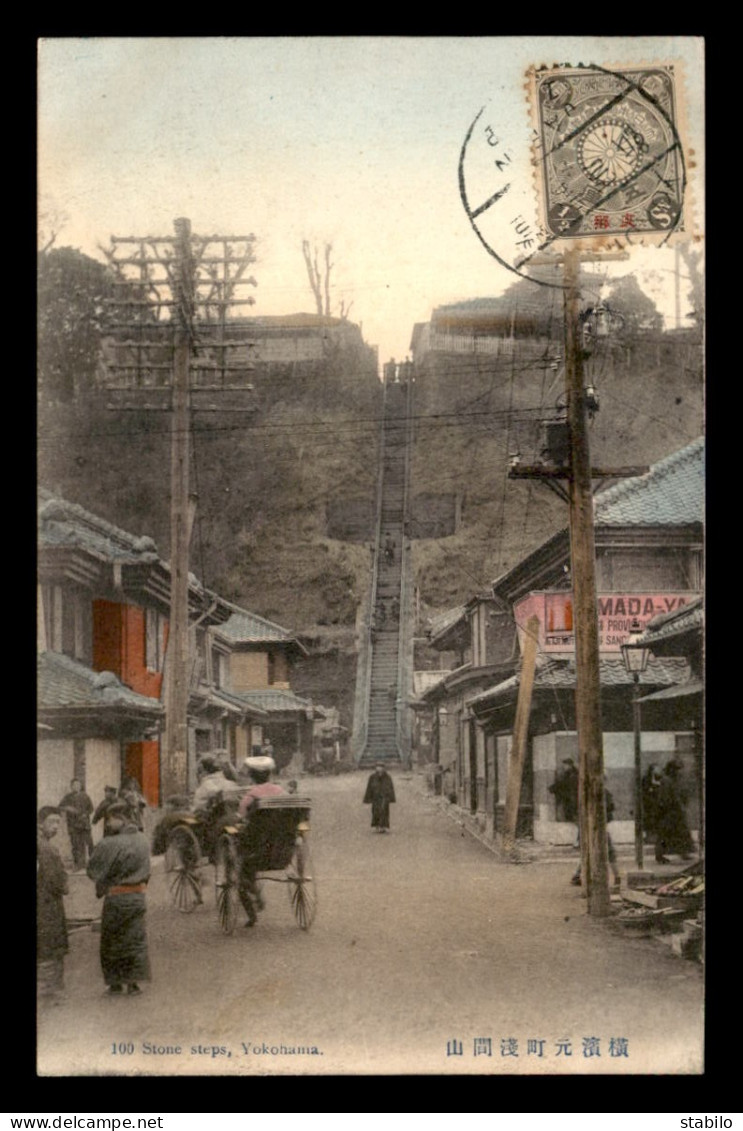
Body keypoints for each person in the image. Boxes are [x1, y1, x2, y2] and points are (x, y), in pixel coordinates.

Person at [87, 800, 151, 996]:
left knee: (112, 940)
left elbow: (93, 871)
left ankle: (115, 983)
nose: (107, 824)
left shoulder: (109, 843)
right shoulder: (142, 839)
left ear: (120, 819)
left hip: (116, 898)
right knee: (135, 938)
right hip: (138, 896)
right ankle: (133, 983)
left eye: (109, 820)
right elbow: (147, 872)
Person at [237, 756, 286, 927]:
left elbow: (241, 817)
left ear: (252, 776)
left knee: (240, 872)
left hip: (256, 848)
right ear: (269, 774)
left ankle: (252, 913)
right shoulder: (281, 792)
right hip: (281, 846)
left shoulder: (251, 795)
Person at [37, 806, 69, 1007]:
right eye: (52, 822)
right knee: (50, 943)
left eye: (58, 822)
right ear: (41, 823)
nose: (56, 827)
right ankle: (48, 990)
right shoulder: (47, 849)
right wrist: (64, 884)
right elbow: (57, 882)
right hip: (47, 904)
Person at [571, 784, 620, 889]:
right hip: (597, 825)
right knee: (609, 851)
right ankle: (616, 876)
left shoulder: (585, 792)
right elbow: (611, 808)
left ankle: (578, 875)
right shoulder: (603, 793)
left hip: (589, 825)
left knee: (588, 851)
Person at [654, 759, 694, 863]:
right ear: (672, 769)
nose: (679, 772)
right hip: (669, 811)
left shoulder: (674, 780)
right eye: (677, 769)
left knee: (680, 833)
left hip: (675, 811)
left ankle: (683, 852)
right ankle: (660, 855)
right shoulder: (667, 781)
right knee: (665, 834)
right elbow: (667, 797)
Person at [58, 778, 94, 870]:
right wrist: (68, 808)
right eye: (74, 785)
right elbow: (60, 807)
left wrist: (85, 814)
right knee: (75, 845)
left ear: (80, 786)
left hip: (85, 825)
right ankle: (77, 864)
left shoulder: (85, 796)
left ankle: (93, 864)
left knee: (89, 843)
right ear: (71, 787)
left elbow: (91, 809)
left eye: (78, 785)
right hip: (73, 825)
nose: (76, 787)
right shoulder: (68, 797)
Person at [363, 762, 396, 833]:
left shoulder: (387, 777)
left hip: (384, 796)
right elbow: (369, 788)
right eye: (378, 767)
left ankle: (383, 826)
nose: (380, 768)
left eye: (381, 767)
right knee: (375, 811)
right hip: (375, 797)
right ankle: (377, 826)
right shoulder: (372, 777)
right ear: (376, 768)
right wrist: (368, 798)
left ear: (384, 768)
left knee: (384, 811)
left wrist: (390, 797)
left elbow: (390, 787)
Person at [642, 763, 663, 844]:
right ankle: (649, 837)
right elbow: (645, 789)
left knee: (655, 820)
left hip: (656, 803)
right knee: (649, 820)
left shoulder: (658, 778)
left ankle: (654, 837)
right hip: (648, 803)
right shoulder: (646, 779)